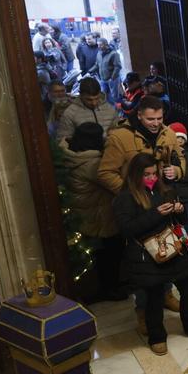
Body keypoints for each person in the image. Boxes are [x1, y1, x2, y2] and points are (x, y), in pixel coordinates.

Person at [111, 152, 188, 355]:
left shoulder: (165, 189)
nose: (152, 178)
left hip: (173, 248)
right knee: (154, 297)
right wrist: (157, 214)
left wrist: (179, 209)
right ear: (135, 175)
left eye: (154, 174)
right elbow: (128, 229)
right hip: (148, 255)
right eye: (147, 175)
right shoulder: (125, 198)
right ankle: (157, 336)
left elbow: (180, 221)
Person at [99, 95, 187, 317]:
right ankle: (144, 311)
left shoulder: (168, 134)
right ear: (139, 115)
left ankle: (166, 294)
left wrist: (176, 171)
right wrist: (131, 194)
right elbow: (105, 172)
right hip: (138, 209)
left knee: (166, 250)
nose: (156, 123)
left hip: (163, 201)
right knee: (142, 263)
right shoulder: (120, 138)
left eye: (159, 118)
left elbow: (180, 160)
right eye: (150, 119)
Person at [60, 123, 125, 302]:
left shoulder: (71, 154)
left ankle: (106, 287)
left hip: (84, 212)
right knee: (110, 253)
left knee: (100, 254)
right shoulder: (93, 163)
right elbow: (112, 181)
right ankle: (111, 289)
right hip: (99, 214)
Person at [55, 77, 117, 142]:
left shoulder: (109, 109)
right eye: (89, 100)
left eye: (96, 98)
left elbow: (118, 130)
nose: (94, 103)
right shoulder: (70, 113)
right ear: (81, 95)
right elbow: (63, 141)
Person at [167, 122, 188, 245]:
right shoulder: (167, 154)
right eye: (176, 137)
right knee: (174, 226)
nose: (179, 141)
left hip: (186, 196)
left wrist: (176, 175)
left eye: (181, 138)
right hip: (171, 196)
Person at [95, 39, 123, 105]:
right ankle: (110, 110)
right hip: (103, 79)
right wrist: (90, 71)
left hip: (113, 79)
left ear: (106, 45)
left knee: (114, 97)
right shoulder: (99, 53)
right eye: (98, 45)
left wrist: (112, 78)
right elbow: (97, 64)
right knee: (104, 95)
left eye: (100, 45)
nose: (98, 46)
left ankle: (118, 111)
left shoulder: (114, 54)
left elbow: (118, 66)